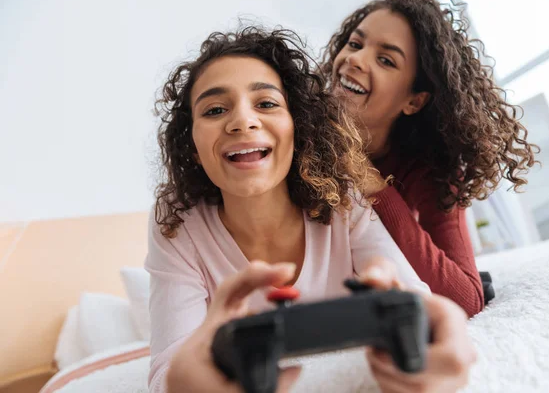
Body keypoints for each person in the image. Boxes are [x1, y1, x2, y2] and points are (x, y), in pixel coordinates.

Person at [146, 26, 474, 393]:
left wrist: (436, 327)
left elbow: (417, 304)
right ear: (192, 145)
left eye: (267, 104)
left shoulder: (344, 200)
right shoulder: (176, 220)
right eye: (215, 109)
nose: (242, 121)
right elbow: (168, 370)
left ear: (296, 127)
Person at [320, 0, 539, 317]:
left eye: (386, 60)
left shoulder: (430, 167)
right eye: (355, 44)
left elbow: (466, 298)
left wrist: (372, 182)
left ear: (414, 101)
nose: (356, 59)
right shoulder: (294, 128)